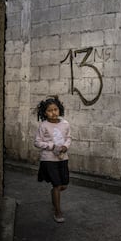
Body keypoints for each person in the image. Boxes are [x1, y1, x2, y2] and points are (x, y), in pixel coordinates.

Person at [34, 95, 71, 223]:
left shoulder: (65, 124)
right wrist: (52, 146)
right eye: (50, 110)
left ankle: (54, 194)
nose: (53, 112)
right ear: (45, 113)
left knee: (64, 185)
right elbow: (37, 142)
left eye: (55, 109)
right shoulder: (43, 125)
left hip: (63, 158)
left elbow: (68, 138)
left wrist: (66, 146)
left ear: (59, 109)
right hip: (49, 159)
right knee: (57, 184)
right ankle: (57, 211)